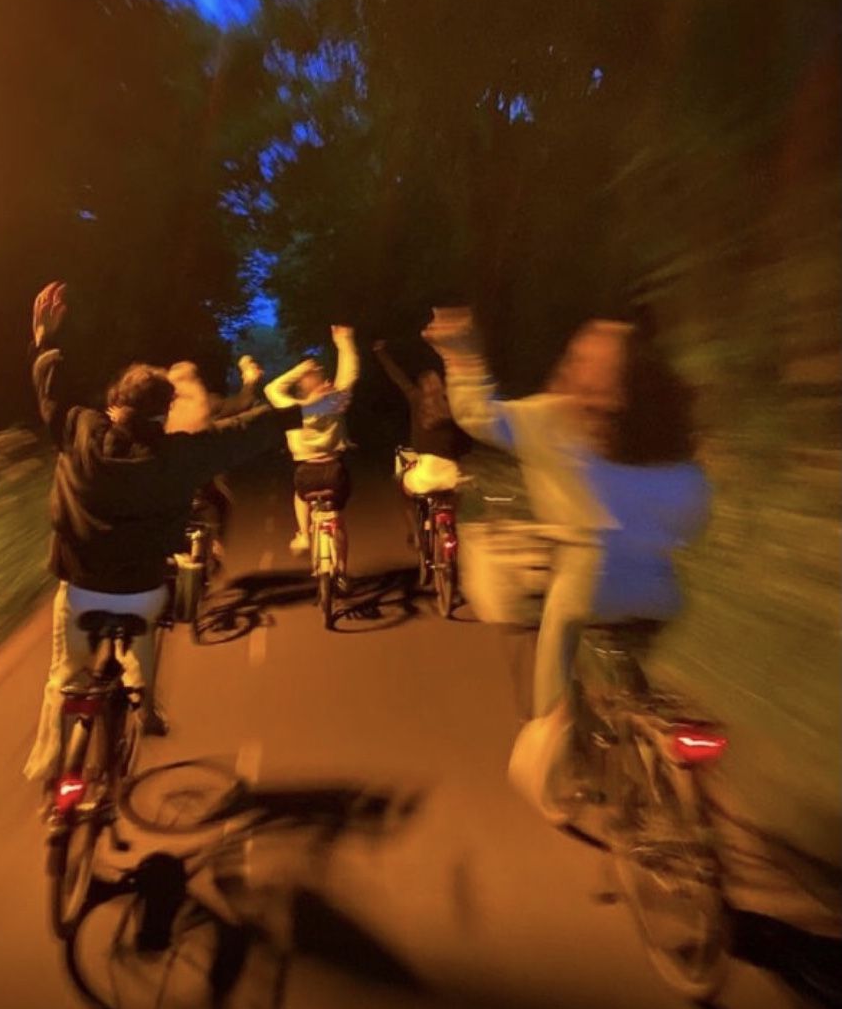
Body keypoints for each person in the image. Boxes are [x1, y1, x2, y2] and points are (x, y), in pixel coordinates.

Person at [24, 282, 342, 786]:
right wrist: (304, 411)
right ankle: (144, 706)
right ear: (162, 412)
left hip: (81, 583)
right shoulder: (181, 455)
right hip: (140, 589)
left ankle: (49, 767)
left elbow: (52, 394)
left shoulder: (81, 430)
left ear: (114, 402)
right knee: (145, 643)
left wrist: (45, 339)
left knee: (63, 675)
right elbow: (244, 433)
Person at [422, 307, 710, 723]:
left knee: (557, 643)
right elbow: (692, 513)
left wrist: (461, 356)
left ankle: (555, 744)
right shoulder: (659, 430)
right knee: (632, 658)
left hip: (590, 583)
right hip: (662, 587)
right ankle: (639, 715)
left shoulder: (551, 417)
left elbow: (477, 415)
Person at [263, 325, 358, 555]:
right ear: (323, 381)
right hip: (335, 471)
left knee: (300, 495)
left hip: (306, 474)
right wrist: (345, 342)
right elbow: (350, 374)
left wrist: (301, 368)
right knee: (340, 520)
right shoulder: (334, 401)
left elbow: (272, 388)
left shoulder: (292, 408)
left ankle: (304, 535)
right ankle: (342, 572)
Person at [373, 339, 471, 547]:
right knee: (457, 498)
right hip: (451, 475)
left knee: (400, 485)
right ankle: (452, 527)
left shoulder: (416, 398)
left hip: (425, 474)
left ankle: (414, 530)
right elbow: (464, 441)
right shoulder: (453, 407)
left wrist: (381, 354)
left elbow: (399, 378)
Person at [165, 354, 265, 548]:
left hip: (168, 480)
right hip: (201, 480)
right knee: (221, 502)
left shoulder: (163, 404)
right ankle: (218, 544)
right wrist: (250, 380)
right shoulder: (207, 402)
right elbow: (243, 404)